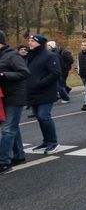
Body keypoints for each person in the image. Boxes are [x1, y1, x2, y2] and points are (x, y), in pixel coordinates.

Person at [0, 30, 30, 173]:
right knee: (12, 127)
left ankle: (3, 162)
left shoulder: (12, 55)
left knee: (7, 129)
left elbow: (24, 73)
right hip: (2, 97)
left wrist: (3, 74)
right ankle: (18, 155)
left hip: (14, 97)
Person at [26, 34, 61, 154]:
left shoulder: (49, 56)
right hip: (33, 93)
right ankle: (46, 141)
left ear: (39, 43)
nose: (29, 42)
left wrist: (40, 83)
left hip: (46, 92)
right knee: (39, 118)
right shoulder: (30, 55)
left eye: (32, 41)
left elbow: (55, 73)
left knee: (43, 116)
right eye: (29, 40)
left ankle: (53, 142)